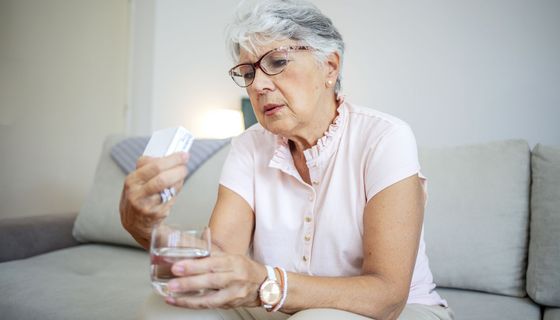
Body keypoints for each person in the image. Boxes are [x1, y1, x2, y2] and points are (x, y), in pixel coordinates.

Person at [120, 0, 454, 319]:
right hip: (276, 307)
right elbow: (220, 260)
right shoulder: (248, 146)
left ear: (330, 66)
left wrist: (267, 283)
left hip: (392, 312)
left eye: (277, 62)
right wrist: (145, 227)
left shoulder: (385, 138)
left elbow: (387, 296)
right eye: (248, 72)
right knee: (165, 309)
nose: (259, 86)